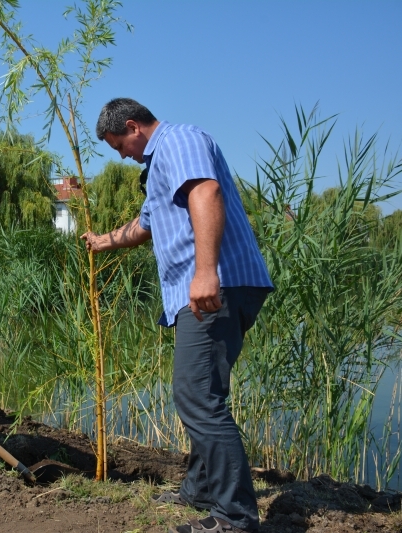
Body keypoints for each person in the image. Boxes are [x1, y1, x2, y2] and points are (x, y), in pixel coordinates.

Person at [82, 98, 273, 533]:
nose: (122, 155)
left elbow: (206, 191)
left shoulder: (178, 141)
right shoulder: (159, 165)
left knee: (197, 398)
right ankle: (202, 490)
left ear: (133, 126)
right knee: (201, 392)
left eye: (119, 146)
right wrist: (103, 241)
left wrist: (205, 273)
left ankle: (234, 517)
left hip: (213, 288)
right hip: (209, 289)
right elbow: (145, 226)